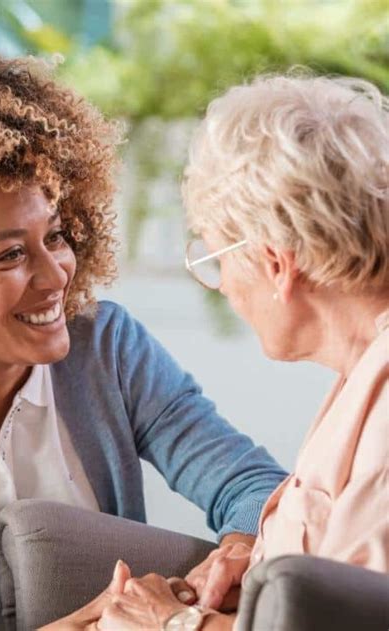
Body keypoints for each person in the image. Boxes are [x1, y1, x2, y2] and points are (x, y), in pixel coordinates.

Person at [0, 50, 286, 630]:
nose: (56, 273)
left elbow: (250, 484)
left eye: (56, 236)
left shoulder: (107, 349)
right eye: (10, 254)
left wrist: (237, 551)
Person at [94, 71, 389, 631]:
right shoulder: (360, 372)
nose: (223, 285)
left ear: (276, 264)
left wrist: (174, 624)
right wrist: (249, 560)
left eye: (216, 255)